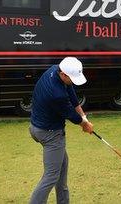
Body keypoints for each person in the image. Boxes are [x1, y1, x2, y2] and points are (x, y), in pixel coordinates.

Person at [29, 57, 94, 204]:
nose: (73, 81)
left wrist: (84, 116)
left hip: (37, 127)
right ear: (64, 74)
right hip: (49, 133)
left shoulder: (55, 69)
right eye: (72, 78)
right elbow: (71, 115)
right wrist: (84, 124)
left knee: (62, 166)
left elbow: (71, 93)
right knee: (51, 176)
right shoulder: (56, 94)